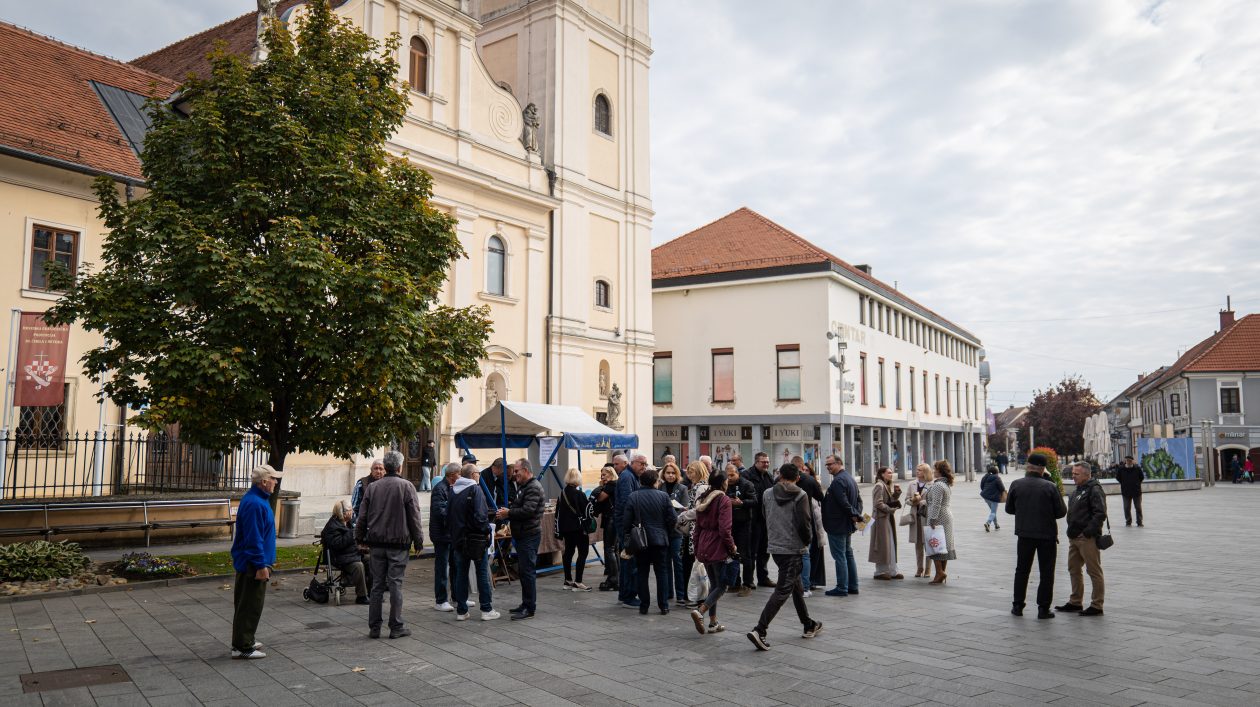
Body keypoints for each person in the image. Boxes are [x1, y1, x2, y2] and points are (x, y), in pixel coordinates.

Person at [746, 464, 822, 650]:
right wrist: (807, 541)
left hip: (775, 546)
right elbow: (804, 523)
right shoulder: (800, 495)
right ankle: (760, 630)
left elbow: (765, 515)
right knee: (782, 591)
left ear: (780, 475)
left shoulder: (767, 493)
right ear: (797, 478)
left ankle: (808, 623)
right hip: (793, 549)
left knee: (796, 587)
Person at [355, 450, 425, 640]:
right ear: (400, 467)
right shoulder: (406, 486)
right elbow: (414, 517)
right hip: (398, 543)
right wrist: (418, 541)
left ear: (386, 467)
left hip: (377, 543)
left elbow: (362, 516)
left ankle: (375, 627)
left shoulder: (373, 487)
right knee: (395, 584)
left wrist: (359, 537)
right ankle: (396, 625)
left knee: (377, 585)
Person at [229, 464, 283, 659]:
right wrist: (260, 565)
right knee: (250, 605)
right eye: (273, 479)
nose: (276, 482)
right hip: (252, 563)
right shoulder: (255, 503)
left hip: (252, 561)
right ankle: (242, 646)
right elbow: (254, 538)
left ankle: (245, 639)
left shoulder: (258, 500)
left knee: (249, 603)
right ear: (264, 481)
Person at [1006, 451, 1067, 619]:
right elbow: (1061, 512)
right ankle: (1043, 608)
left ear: (1028, 467)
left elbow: (1009, 509)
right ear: (1043, 469)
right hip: (1046, 535)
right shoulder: (1050, 486)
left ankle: (1017, 606)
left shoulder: (1016, 484)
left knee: (1022, 570)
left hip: (1024, 534)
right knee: (1046, 572)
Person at [621, 467, 678, 615]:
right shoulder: (663, 496)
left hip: (640, 541)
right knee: (662, 573)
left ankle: (644, 605)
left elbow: (626, 521)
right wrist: (666, 531)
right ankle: (663, 605)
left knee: (642, 572)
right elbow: (673, 518)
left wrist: (628, 536)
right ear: (655, 481)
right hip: (660, 539)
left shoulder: (634, 496)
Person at [449, 464, 499, 621]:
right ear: (472, 475)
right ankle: (486, 609)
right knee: (482, 572)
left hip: (458, 539)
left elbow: (448, 515)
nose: (479, 476)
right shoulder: (475, 490)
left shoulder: (453, 490)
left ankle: (461, 611)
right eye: (478, 473)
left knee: (461, 574)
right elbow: (480, 516)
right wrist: (487, 530)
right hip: (475, 539)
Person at [690, 470, 738, 635]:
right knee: (721, 586)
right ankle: (700, 611)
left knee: (714, 584)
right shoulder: (723, 500)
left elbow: (697, 527)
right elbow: (725, 529)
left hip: (704, 544)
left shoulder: (703, 498)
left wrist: (697, 547)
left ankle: (713, 622)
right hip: (717, 545)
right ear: (724, 483)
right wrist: (732, 547)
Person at [496, 459, 544, 620]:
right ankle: (525, 603)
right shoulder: (524, 486)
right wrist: (509, 510)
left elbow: (528, 511)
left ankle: (529, 608)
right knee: (524, 571)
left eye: (517, 471)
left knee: (527, 572)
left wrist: (508, 513)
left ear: (526, 470)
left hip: (529, 535)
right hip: (523, 534)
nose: (514, 474)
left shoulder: (533, 487)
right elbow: (519, 506)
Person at [1057, 462, 1107, 617]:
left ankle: (1097, 605)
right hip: (1074, 537)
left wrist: (1087, 532)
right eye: (1072, 473)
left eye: (1076, 474)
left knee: (1094, 571)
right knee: (1073, 569)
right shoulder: (1078, 489)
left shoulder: (1094, 489)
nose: (1073, 476)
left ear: (1087, 474)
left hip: (1087, 538)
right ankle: (1075, 602)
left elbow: (1100, 513)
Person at [821, 455, 861, 597]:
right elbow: (859, 500)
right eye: (826, 465)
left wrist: (854, 514)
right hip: (846, 524)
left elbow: (843, 502)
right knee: (848, 554)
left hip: (837, 524)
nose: (828, 467)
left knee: (840, 556)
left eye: (830, 464)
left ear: (839, 463)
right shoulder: (849, 478)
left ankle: (842, 587)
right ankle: (853, 586)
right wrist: (856, 514)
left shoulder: (838, 481)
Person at [428, 462, 462, 612]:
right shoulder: (440, 489)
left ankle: (458, 597)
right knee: (442, 568)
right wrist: (456, 513)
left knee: (456, 566)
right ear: (452, 475)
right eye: (459, 474)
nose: (461, 477)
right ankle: (441, 600)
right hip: (442, 535)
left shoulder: (452, 487)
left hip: (451, 534)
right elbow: (440, 511)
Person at [321, 500, 368, 605]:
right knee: (358, 566)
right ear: (343, 513)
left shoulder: (349, 522)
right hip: (339, 557)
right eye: (350, 510)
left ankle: (371, 592)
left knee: (370, 559)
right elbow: (338, 545)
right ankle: (362, 596)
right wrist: (352, 533)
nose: (352, 512)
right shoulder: (332, 526)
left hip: (350, 555)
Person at [613, 454, 645, 608]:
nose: (644, 467)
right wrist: (631, 526)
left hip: (626, 525)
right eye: (641, 464)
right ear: (632, 463)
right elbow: (628, 502)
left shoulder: (630, 476)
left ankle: (624, 594)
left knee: (627, 559)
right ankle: (628, 596)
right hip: (628, 526)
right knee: (630, 561)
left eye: (645, 464)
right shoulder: (627, 477)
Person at [723, 462, 758, 597]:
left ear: (738, 473)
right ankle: (735, 582)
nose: (730, 478)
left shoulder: (747, 484)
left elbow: (754, 501)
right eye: (727, 475)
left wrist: (742, 503)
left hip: (744, 524)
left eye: (732, 475)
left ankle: (747, 584)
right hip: (729, 524)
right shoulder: (724, 485)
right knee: (732, 553)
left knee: (746, 554)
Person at [557, 467, 593, 592]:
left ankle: (567, 580)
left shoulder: (562, 493)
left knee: (568, 552)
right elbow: (588, 511)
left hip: (566, 529)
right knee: (583, 553)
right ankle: (578, 581)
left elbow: (558, 512)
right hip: (579, 528)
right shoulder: (579, 494)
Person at [743, 452, 776, 587]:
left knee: (764, 550)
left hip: (766, 519)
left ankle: (763, 578)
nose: (766, 464)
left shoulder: (769, 476)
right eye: (763, 462)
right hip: (752, 519)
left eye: (767, 462)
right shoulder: (746, 476)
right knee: (751, 550)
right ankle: (749, 580)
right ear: (756, 462)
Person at [659, 463, 689, 605]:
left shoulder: (682, 488)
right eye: (668, 473)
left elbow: (684, 508)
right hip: (663, 530)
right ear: (663, 474)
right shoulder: (659, 488)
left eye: (673, 473)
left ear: (677, 474)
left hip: (677, 530)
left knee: (678, 562)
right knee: (665, 562)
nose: (670, 475)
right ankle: (668, 592)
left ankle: (680, 594)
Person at [924, 459, 956, 584]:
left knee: (935, 544)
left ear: (939, 471)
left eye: (935, 469)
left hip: (938, 516)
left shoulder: (938, 485)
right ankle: (941, 573)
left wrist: (932, 519)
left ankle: (940, 573)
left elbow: (936, 504)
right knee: (943, 546)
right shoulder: (945, 484)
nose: (933, 471)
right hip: (946, 515)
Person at [869, 466, 903, 580]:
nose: (891, 474)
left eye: (891, 472)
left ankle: (892, 570)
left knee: (890, 543)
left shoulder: (886, 485)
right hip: (880, 519)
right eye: (889, 472)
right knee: (882, 544)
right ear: (882, 474)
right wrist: (890, 509)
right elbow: (878, 503)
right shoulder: (879, 485)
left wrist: (896, 494)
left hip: (886, 518)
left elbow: (889, 501)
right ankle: (880, 571)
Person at [592, 464, 619, 591]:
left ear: (611, 474)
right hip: (612, 519)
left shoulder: (611, 485)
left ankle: (613, 578)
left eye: (604, 475)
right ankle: (616, 577)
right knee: (614, 549)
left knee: (610, 549)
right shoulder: (614, 484)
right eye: (601, 475)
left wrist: (600, 487)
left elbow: (600, 498)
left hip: (611, 519)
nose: (602, 477)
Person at [906, 463, 931, 578]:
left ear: (925, 472)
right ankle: (919, 568)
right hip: (915, 517)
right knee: (918, 544)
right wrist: (912, 500)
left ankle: (928, 569)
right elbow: (906, 500)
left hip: (927, 516)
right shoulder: (912, 484)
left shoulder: (932, 484)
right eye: (917, 469)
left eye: (920, 470)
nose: (917, 472)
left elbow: (933, 501)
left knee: (928, 544)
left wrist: (921, 501)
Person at [350, 459, 384, 527]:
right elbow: (354, 508)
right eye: (375, 468)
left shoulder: (389, 485)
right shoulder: (362, 483)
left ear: (385, 471)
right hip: (365, 525)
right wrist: (356, 526)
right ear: (371, 470)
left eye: (381, 469)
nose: (378, 471)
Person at [1114, 456, 1144, 527]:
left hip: (1136, 491)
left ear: (1132, 461)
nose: (1128, 462)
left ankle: (1139, 522)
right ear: (1125, 461)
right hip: (1126, 491)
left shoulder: (1137, 468)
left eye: (1130, 461)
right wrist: (1124, 484)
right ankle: (1128, 521)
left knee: (1138, 507)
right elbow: (1118, 477)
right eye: (1127, 461)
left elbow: (1141, 477)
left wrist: (1136, 484)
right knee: (1126, 507)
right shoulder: (1121, 469)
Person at [980, 463, 1006, 532]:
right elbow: (1002, 488)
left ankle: (996, 525)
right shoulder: (997, 478)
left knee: (992, 512)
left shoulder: (985, 477)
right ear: (996, 472)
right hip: (994, 497)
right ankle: (988, 523)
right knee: (993, 512)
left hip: (986, 496)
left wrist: (986, 491)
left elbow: (981, 486)